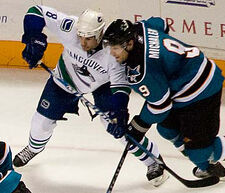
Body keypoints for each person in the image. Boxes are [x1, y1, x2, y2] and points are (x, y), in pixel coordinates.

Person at [12, 6, 168, 186]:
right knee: (40, 123)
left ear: (100, 34)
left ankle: (152, 160)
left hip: (102, 86)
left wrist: (119, 110)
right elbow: (36, 11)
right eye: (81, 37)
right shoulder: (70, 27)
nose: (83, 42)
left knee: (115, 125)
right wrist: (34, 39)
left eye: (89, 38)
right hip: (64, 80)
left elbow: (120, 86)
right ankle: (33, 148)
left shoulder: (112, 51)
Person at [102, 18, 225, 180]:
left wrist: (138, 125)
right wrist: (168, 62)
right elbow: (160, 23)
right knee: (167, 128)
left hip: (201, 92)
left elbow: (160, 106)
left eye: (116, 48)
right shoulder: (141, 27)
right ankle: (206, 166)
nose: (112, 53)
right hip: (186, 84)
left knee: (198, 151)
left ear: (129, 43)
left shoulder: (142, 71)